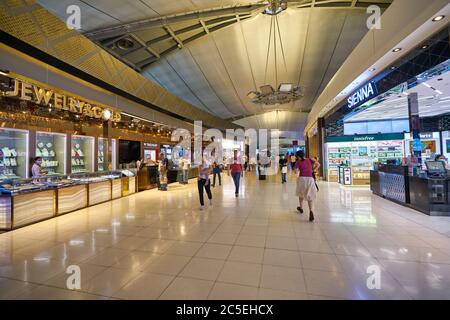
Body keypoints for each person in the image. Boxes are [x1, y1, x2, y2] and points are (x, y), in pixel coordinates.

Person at [295, 150, 320, 222]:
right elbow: (318, 164)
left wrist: (296, 169)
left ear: (298, 156)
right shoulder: (310, 159)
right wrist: (313, 170)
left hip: (302, 179)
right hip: (310, 179)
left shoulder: (298, 162)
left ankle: (301, 207)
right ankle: (311, 211)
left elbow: (296, 171)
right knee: (310, 196)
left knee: (301, 194)